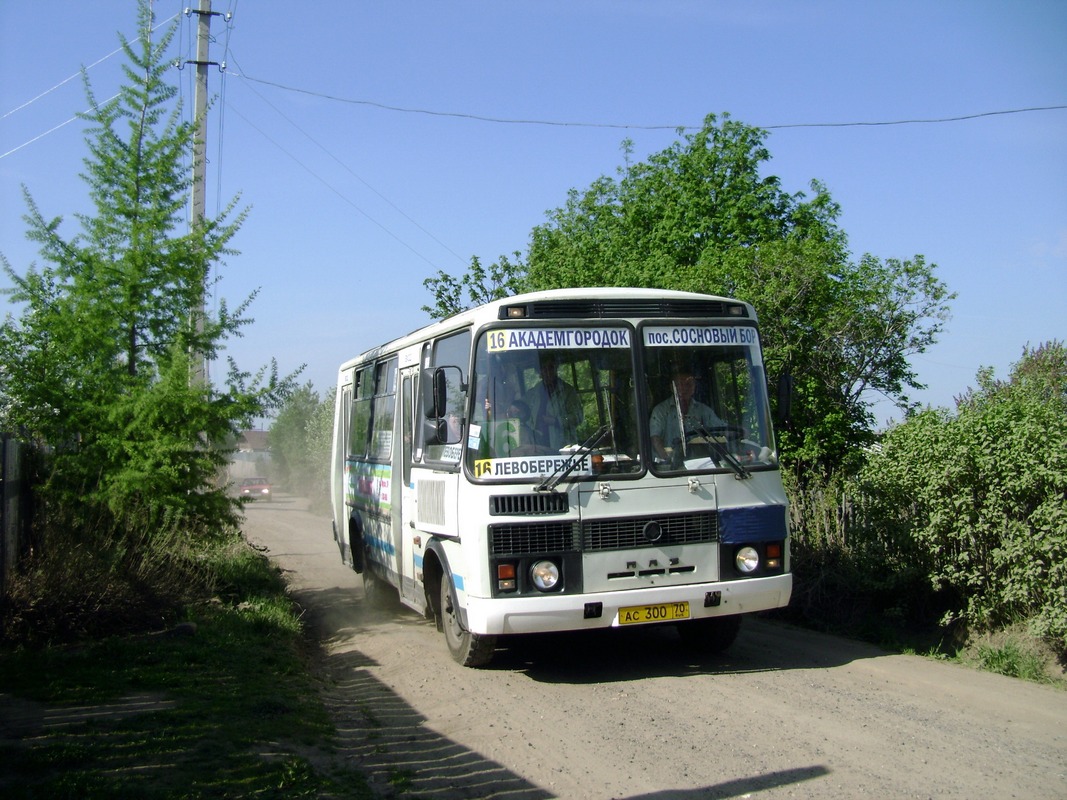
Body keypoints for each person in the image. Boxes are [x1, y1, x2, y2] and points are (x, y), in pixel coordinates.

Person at [649, 371, 725, 461]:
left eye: (688, 384)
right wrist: (667, 459)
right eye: (679, 384)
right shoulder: (660, 411)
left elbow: (721, 430)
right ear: (671, 388)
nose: (683, 388)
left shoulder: (703, 410)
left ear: (694, 387)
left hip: (701, 465)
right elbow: (655, 438)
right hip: (668, 469)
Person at [526, 355, 583, 449]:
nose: (548, 372)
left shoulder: (567, 391)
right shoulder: (532, 393)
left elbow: (578, 417)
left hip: (562, 448)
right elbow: (519, 411)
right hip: (537, 447)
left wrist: (556, 421)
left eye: (551, 367)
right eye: (544, 368)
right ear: (539, 372)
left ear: (556, 368)